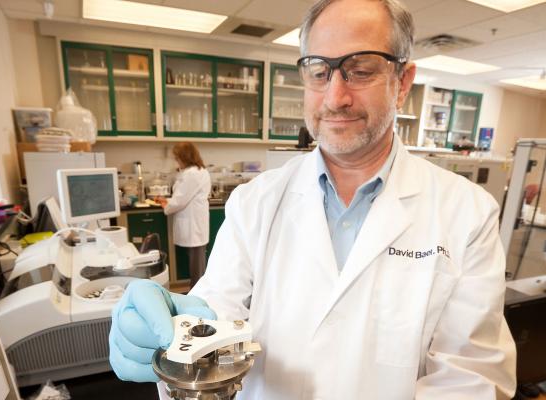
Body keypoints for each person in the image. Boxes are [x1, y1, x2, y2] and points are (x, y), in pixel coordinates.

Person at [109, 0, 517, 398]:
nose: (335, 97)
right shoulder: (254, 202)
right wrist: (179, 331)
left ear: (402, 83)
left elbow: (472, 379)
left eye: (359, 71)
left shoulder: (467, 214)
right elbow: (216, 315)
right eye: (319, 72)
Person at [157, 142, 211, 288]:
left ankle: (199, 295)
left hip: (194, 225)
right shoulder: (194, 172)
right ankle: (197, 291)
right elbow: (183, 196)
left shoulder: (193, 174)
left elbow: (180, 200)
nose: (176, 160)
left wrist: (167, 205)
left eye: (177, 157)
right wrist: (168, 201)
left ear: (184, 157)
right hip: (193, 222)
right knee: (195, 264)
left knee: (197, 266)